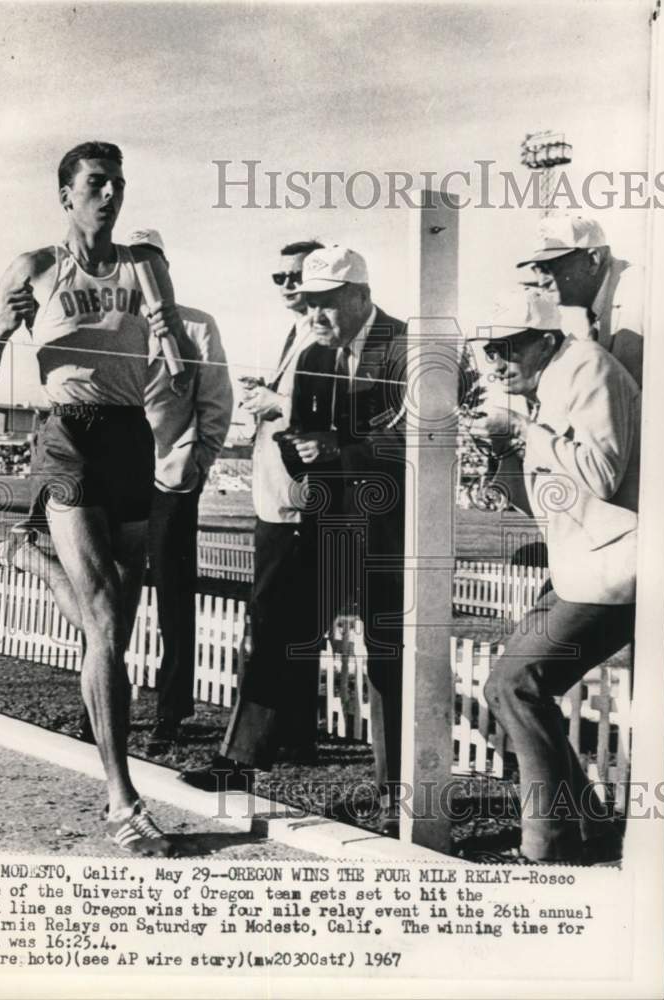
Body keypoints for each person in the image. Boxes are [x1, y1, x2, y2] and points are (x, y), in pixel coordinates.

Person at [0, 141, 196, 857]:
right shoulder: (35, 266)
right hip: (69, 436)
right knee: (102, 623)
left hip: (131, 437)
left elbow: (182, 372)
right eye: (97, 183)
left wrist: (172, 339)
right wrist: (1, 327)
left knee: (115, 629)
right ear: (66, 195)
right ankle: (123, 800)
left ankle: (32, 559)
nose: (110, 194)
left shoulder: (145, 264)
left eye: (118, 183)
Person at [467, 285, 640, 864]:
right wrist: (501, 456)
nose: (497, 362)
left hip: (616, 565)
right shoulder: (547, 383)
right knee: (509, 686)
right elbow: (540, 500)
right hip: (580, 565)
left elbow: (599, 475)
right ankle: (589, 827)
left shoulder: (588, 368)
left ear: (545, 340)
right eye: (490, 350)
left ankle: (549, 844)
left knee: (518, 685)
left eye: (510, 348)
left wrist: (524, 433)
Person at [184, 239, 324, 792]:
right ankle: (294, 735)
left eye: (297, 276)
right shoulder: (298, 333)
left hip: (297, 503)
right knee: (293, 627)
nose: (288, 286)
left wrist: (276, 403)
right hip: (277, 498)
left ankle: (241, 758)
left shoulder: (323, 339)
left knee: (271, 625)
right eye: (280, 277)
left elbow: (330, 412)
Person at [283, 244, 408, 837]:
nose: (315, 316)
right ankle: (241, 757)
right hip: (329, 522)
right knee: (281, 624)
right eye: (308, 303)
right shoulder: (312, 354)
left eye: (327, 303)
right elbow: (301, 436)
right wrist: (301, 449)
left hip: (393, 527)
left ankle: (395, 789)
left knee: (389, 652)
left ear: (361, 296)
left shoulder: (407, 347)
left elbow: (422, 442)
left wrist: (340, 447)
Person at [128, 228, 234, 755]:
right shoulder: (108, 327)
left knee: (173, 596)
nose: (143, 275)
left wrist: (196, 462)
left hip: (171, 478)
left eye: (151, 264)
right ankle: (99, 704)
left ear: (166, 269)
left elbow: (216, 403)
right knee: (109, 595)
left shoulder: (197, 325)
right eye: (132, 264)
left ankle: (171, 713)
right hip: (117, 476)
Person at [517, 213, 643, 387]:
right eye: (538, 269)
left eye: (551, 267)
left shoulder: (637, 294)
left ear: (592, 261)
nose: (541, 281)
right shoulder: (603, 300)